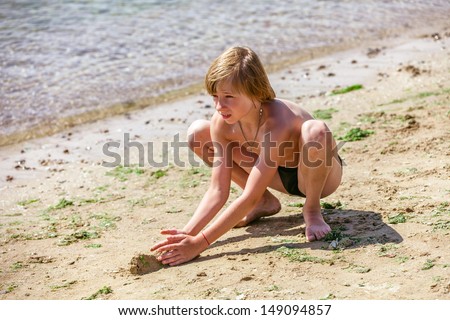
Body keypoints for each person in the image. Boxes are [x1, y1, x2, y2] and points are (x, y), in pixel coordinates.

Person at [151, 46, 343, 266]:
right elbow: (218, 190)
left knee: (315, 130)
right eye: (215, 96)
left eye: (228, 97)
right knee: (198, 134)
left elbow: (248, 195)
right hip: (273, 174)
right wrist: (186, 234)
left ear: (255, 92)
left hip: (318, 176)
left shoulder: (276, 122)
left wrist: (199, 244)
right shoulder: (221, 122)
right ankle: (265, 202)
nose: (219, 106)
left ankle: (311, 209)